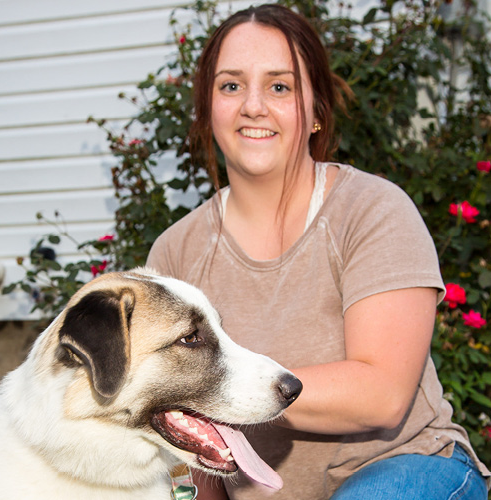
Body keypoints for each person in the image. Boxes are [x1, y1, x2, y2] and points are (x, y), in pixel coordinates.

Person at [146, 4, 490, 499]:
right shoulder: (175, 252)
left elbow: (383, 395)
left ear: (316, 112)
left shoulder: (372, 210)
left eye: (280, 86)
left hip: (411, 471)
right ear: (207, 110)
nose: (253, 105)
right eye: (230, 85)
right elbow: (196, 435)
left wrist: (217, 388)